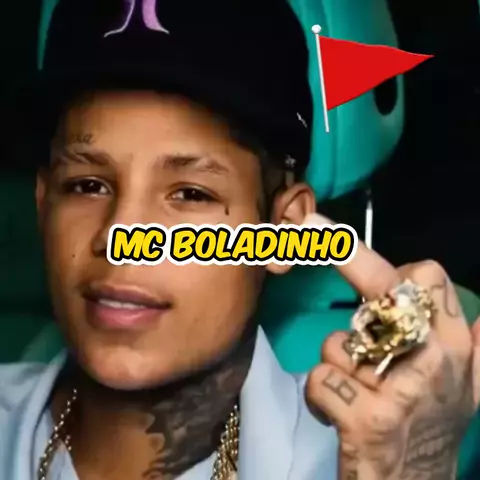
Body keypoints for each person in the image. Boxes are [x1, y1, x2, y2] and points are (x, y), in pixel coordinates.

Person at [1, 0, 479, 479]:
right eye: (87, 185)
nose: (119, 235)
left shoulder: (358, 453)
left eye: (191, 194)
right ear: (43, 202)